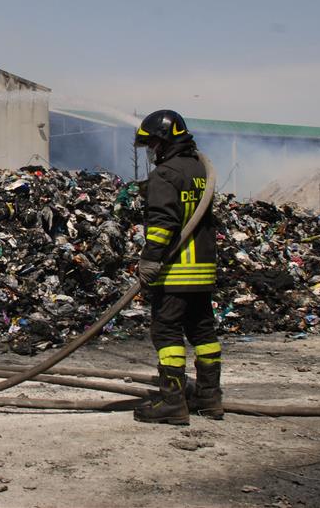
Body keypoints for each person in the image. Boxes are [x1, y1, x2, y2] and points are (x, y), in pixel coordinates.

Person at [132, 109, 222, 425]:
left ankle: (172, 401)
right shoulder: (199, 172)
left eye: (153, 143)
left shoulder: (165, 175)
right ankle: (210, 398)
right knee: (203, 332)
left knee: (166, 331)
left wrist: (149, 259)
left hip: (175, 271)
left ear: (165, 140)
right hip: (202, 270)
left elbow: (162, 223)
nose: (151, 151)